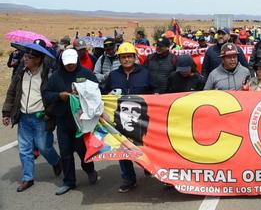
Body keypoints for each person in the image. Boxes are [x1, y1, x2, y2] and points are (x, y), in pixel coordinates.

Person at [2, 43, 62, 192]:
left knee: (43, 147)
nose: (25, 58)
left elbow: (55, 96)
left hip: (41, 117)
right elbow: (11, 93)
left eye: (29, 57)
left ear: (39, 59)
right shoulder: (21, 72)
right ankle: (27, 178)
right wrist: (6, 112)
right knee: (24, 149)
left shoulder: (48, 74)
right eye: (25, 55)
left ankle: (56, 162)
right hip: (23, 117)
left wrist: (50, 113)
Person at [42, 49, 99, 195]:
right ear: (62, 62)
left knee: (82, 151)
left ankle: (89, 169)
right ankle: (69, 181)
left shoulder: (86, 74)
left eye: (73, 63)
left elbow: (97, 92)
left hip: (81, 121)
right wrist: (58, 95)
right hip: (63, 121)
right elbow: (46, 94)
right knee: (65, 152)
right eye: (67, 64)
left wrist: (83, 94)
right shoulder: (56, 76)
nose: (70, 66)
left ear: (77, 60)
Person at [103, 42, 151, 193]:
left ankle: (150, 168)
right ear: (119, 58)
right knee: (123, 150)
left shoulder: (145, 73)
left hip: (141, 119)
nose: (126, 60)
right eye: (123, 57)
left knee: (146, 147)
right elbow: (104, 93)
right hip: (120, 119)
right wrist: (107, 96)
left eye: (129, 56)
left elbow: (155, 92)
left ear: (134, 57)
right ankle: (129, 179)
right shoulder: (113, 75)